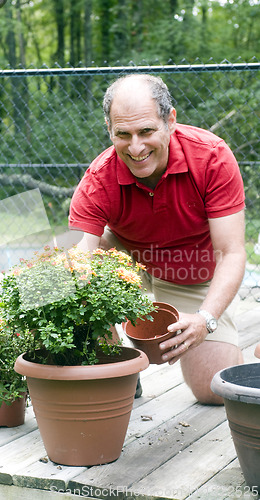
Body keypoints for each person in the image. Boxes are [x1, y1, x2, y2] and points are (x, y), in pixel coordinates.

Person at [68, 74, 246, 405]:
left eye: (146, 131)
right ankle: (117, 366)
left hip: (192, 270)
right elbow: (81, 253)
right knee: (70, 259)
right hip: (128, 259)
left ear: (170, 121)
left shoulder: (212, 157)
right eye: (123, 134)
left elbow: (231, 252)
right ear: (109, 129)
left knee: (213, 392)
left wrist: (205, 319)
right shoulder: (99, 178)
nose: (135, 147)